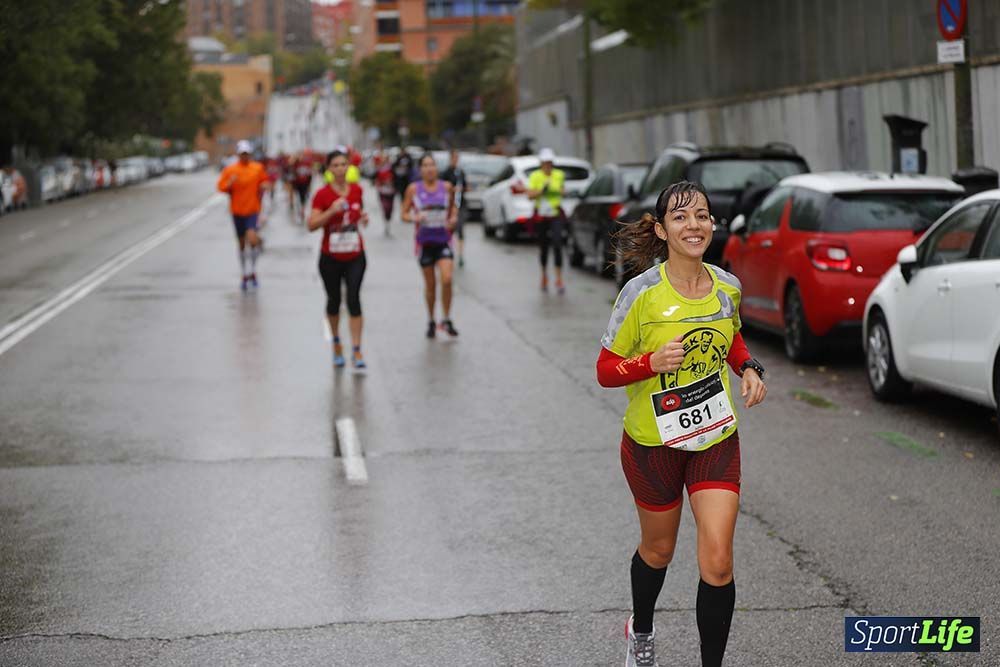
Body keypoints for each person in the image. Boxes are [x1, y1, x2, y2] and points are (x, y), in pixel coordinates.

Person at [595, 181, 767, 667]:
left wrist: (749, 367)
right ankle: (641, 629)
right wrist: (650, 362)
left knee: (718, 560)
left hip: (715, 436)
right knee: (658, 550)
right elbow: (605, 370)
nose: (694, 226)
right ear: (661, 228)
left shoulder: (728, 286)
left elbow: (731, 338)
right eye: (681, 217)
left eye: (702, 216)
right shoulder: (641, 293)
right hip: (653, 443)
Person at [308, 150, 370, 369]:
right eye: (335, 165)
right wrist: (330, 211)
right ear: (329, 170)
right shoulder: (322, 195)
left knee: (354, 298)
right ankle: (336, 343)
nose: (341, 168)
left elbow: (358, 213)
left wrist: (363, 218)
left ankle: (357, 349)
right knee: (334, 301)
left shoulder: (357, 190)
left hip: (355, 254)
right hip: (330, 257)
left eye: (344, 164)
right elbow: (311, 224)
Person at [401, 153, 459, 339]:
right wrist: (414, 217)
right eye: (425, 165)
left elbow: (454, 207)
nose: (429, 169)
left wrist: (453, 218)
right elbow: (403, 213)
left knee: (447, 279)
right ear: (420, 169)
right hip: (424, 242)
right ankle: (431, 320)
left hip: (443, 240)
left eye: (432, 165)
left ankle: (447, 318)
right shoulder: (413, 189)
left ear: (436, 167)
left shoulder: (447, 187)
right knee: (431, 286)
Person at [217, 140, 270, 290]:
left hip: (253, 210)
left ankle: (252, 270)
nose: (245, 156)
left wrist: (265, 185)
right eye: (242, 154)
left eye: (247, 154)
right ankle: (244, 273)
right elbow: (221, 187)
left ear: (250, 154)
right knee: (241, 244)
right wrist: (229, 184)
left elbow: (265, 181)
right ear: (238, 154)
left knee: (252, 238)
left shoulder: (257, 168)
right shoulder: (230, 170)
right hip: (237, 211)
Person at [526, 148, 566, 293]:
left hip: (555, 214)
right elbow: (530, 195)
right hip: (541, 216)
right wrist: (542, 190)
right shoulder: (535, 176)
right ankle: (544, 275)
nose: (548, 166)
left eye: (550, 163)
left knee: (557, 244)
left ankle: (559, 278)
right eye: (545, 163)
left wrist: (555, 189)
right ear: (541, 164)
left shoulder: (559, 175)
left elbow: (562, 190)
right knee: (543, 247)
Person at [440, 148, 467, 267]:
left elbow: (466, 186)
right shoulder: (446, 173)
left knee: (460, 229)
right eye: (454, 157)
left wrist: (462, 189)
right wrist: (452, 189)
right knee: (449, 229)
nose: (456, 160)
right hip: (449, 205)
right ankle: (448, 250)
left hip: (460, 203)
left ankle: (460, 255)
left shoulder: (461, 172)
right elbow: (441, 188)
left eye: (457, 158)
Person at [375, 156, 396, 236]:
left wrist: (392, 182)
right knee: (385, 207)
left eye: (385, 160)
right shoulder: (379, 170)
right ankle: (386, 221)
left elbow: (396, 178)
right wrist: (380, 184)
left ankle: (388, 221)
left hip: (391, 191)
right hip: (382, 191)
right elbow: (376, 179)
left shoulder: (392, 169)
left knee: (390, 208)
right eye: (382, 160)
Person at [292, 152, 314, 224]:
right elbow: (291, 172)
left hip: (305, 184)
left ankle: (302, 209)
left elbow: (310, 175)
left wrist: (309, 185)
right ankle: (300, 208)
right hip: (297, 183)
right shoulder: (296, 164)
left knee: (303, 197)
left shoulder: (307, 164)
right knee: (298, 197)